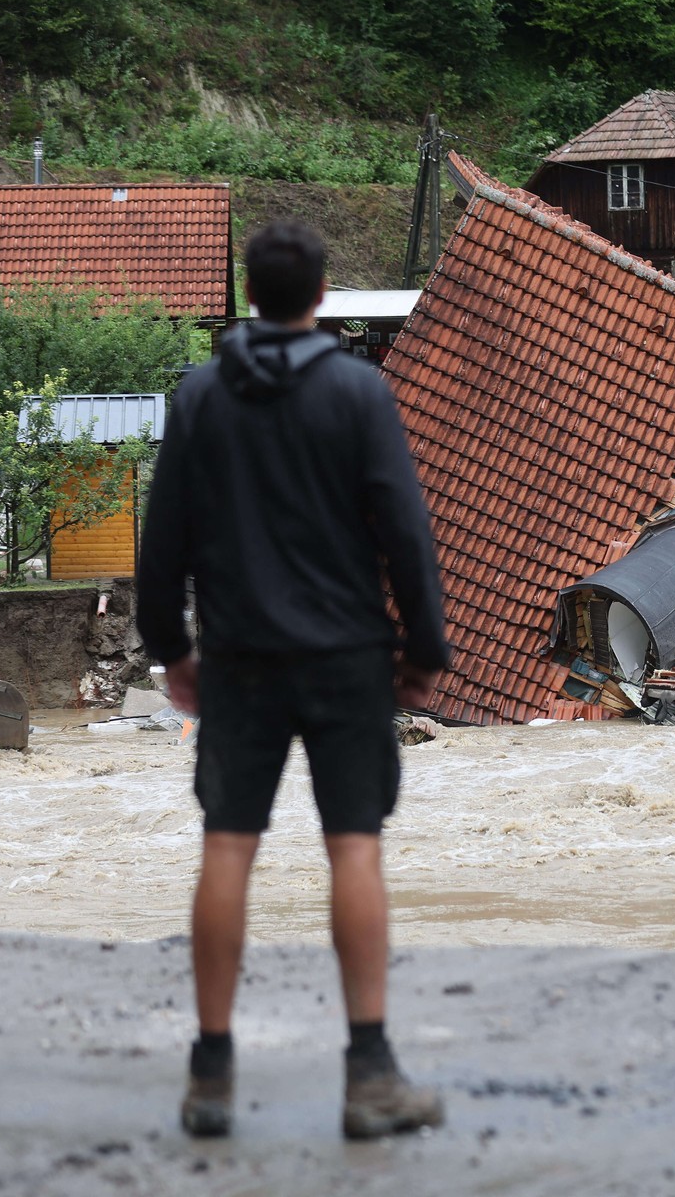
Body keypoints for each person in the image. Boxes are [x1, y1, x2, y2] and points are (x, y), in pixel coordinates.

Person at [136, 219, 449, 1140]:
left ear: (248, 293)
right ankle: (369, 1076)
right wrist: (424, 650)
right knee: (353, 846)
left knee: (227, 845)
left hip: (236, 656)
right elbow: (404, 530)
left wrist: (173, 651)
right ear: (319, 298)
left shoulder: (199, 398)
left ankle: (211, 1077)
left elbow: (165, 545)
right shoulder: (359, 393)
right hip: (348, 656)